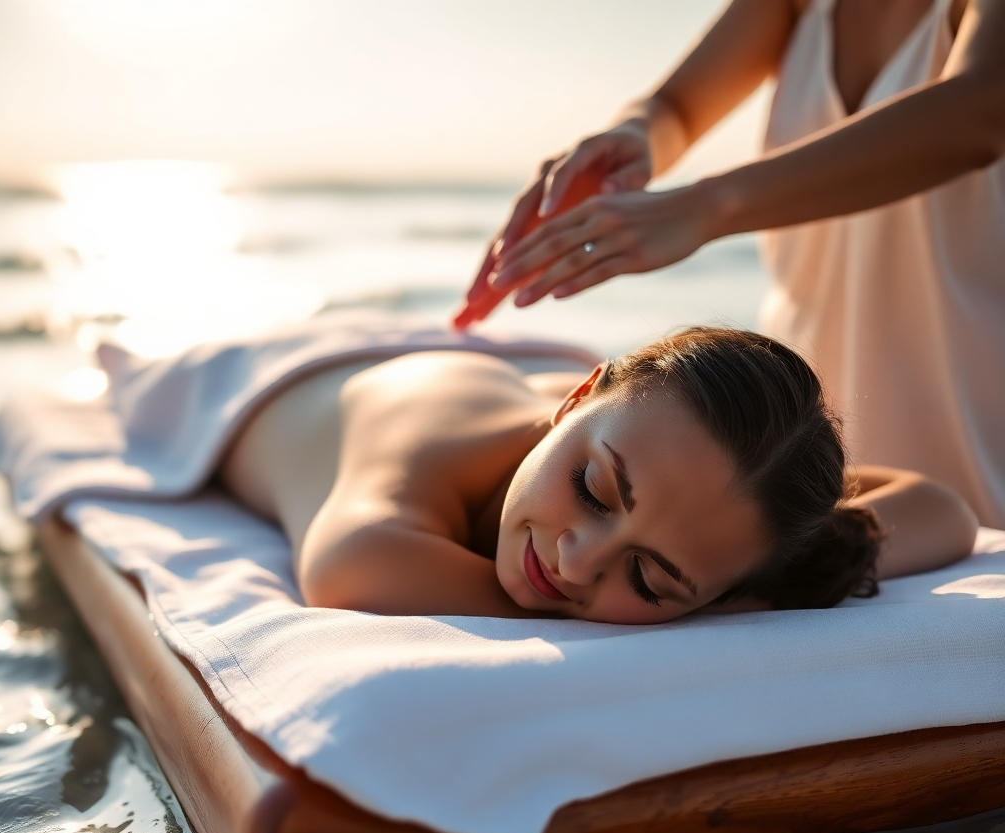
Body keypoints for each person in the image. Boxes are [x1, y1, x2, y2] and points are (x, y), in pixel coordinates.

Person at [476, 0, 1005, 527]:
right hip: (816, 410)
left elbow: (979, 110)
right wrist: (634, 136)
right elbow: (676, 107)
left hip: (978, 424)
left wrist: (704, 208)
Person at [219, 326, 977, 623]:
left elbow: (943, 510)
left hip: (586, 397)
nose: (575, 561)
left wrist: (747, 572)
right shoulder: (407, 473)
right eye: (593, 491)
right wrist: (699, 593)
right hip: (311, 368)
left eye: (649, 580)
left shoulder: (692, 489)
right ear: (581, 400)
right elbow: (349, 572)